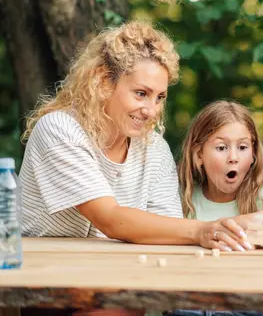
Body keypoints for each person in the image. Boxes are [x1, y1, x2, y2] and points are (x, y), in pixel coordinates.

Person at [19, 21, 251, 254]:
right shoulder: (60, 130)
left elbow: (168, 234)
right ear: (104, 81)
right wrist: (202, 231)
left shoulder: (154, 149)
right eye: (141, 94)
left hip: (122, 277)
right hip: (41, 276)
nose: (151, 110)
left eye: (160, 98)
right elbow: (109, 218)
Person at [178, 100, 263, 229]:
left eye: (242, 147)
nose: (233, 157)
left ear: (253, 155)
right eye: (221, 148)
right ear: (199, 155)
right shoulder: (181, 200)